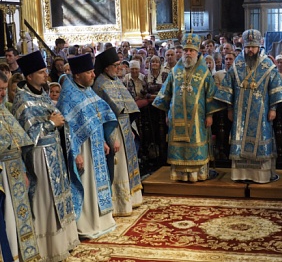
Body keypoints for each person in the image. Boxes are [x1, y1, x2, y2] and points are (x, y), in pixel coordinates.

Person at [12, 51, 79, 261]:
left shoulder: (42, 94)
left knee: (60, 196)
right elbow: (28, 136)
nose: (45, 76)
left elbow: (57, 119)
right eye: (40, 73)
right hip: (39, 157)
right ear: (29, 76)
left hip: (54, 152)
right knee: (46, 199)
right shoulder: (22, 101)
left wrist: (60, 124)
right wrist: (51, 124)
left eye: (44, 71)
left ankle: (64, 242)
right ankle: (48, 247)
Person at [214, 29, 282, 183]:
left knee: (261, 142)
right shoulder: (237, 64)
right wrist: (229, 108)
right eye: (247, 47)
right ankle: (241, 175)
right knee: (240, 142)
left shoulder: (268, 65)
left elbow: (275, 88)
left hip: (261, 113)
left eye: (253, 47)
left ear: (258, 46)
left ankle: (260, 176)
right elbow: (229, 86)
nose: (250, 50)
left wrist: (273, 109)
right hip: (239, 112)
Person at [56, 53, 118, 239]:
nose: (93, 75)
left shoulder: (88, 90)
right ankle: (87, 224)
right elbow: (67, 130)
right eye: (89, 72)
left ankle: (102, 220)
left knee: (98, 181)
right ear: (77, 75)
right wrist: (75, 154)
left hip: (96, 148)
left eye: (93, 71)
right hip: (82, 150)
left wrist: (104, 141)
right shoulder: (68, 96)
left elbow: (97, 117)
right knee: (86, 184)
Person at [152, 32, 222, 182]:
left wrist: (210, 115)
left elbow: (210, 95)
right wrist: (166, 114)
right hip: (176, 118)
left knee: (196, 142)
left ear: (197, 52)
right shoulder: (174, 72)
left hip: (198, 118)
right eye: (185, 50)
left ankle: (198, 174)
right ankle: (181, 175)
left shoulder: (204, 73)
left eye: (191, 50)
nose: (188, 53)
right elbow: (166, 94)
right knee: (179, 146)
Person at [93, 47, 143, 216]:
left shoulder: (115, 80)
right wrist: (110, 137)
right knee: (119, 166)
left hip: (125, 128)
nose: (119, 67)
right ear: (106, 67)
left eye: (119, 64)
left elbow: (128, 106)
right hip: (113, 130)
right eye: (116, 65)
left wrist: (131, 128)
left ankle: (132, 198)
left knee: (128, 164)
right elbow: (104, 116)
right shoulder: (100, 84)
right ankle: (119, 204)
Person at [0, 71, 41, 262]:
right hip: (2, 173)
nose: (2, 93)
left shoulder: (4, 110)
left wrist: (24, 170)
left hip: (14, 170)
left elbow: (17, 142)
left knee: (17, 216)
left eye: (3, 89)